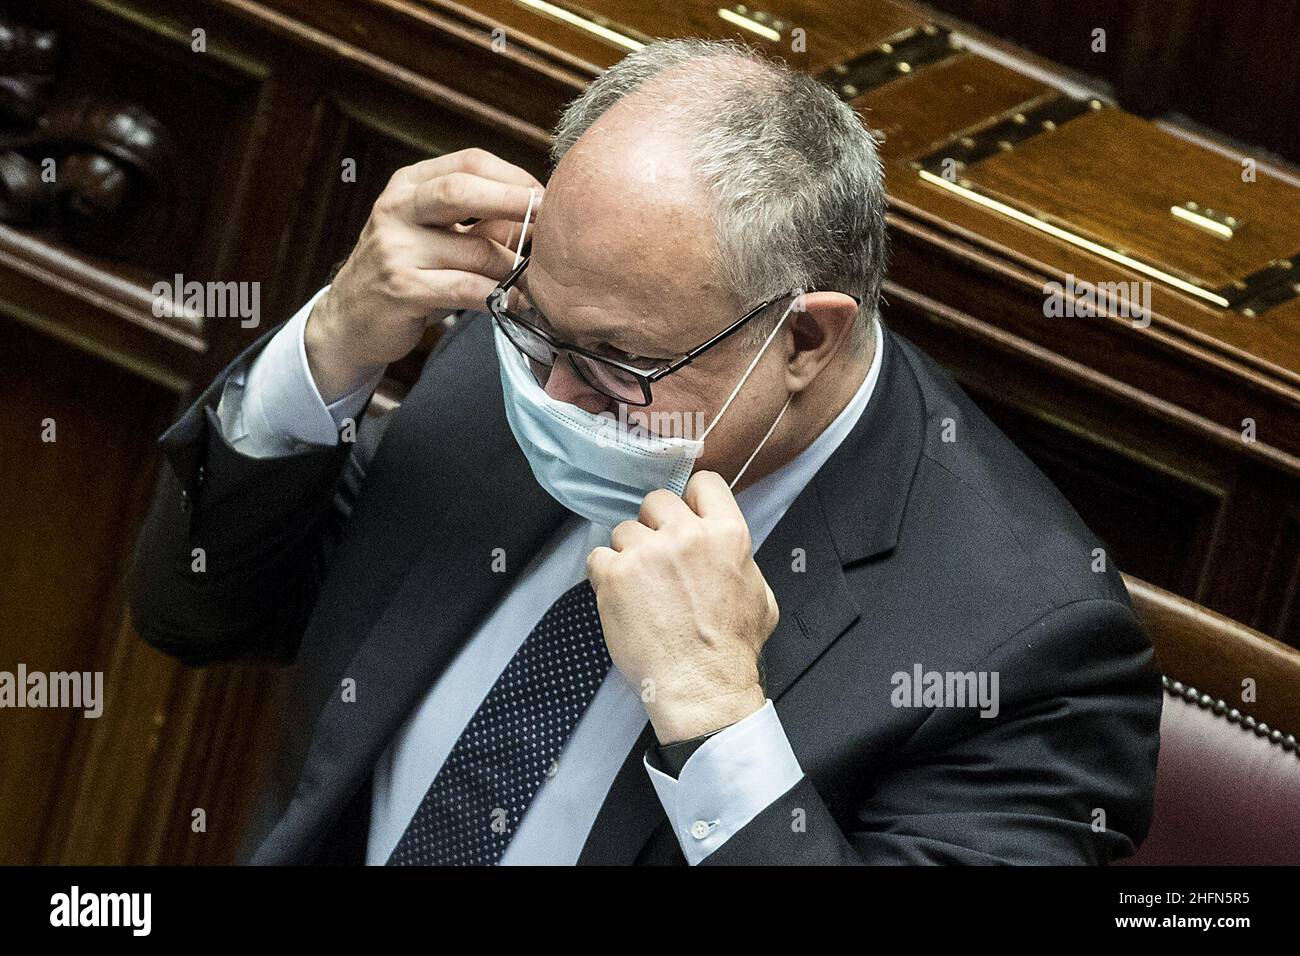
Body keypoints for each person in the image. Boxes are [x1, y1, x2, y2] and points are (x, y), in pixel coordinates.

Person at [129, 37, 1161, 865]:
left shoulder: (1030, 644)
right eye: (532, 324)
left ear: (804, 337)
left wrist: (719, 720)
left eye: (621, 363)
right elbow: (197, 609)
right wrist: (327, 350)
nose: (550, 394)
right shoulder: (536, 340)